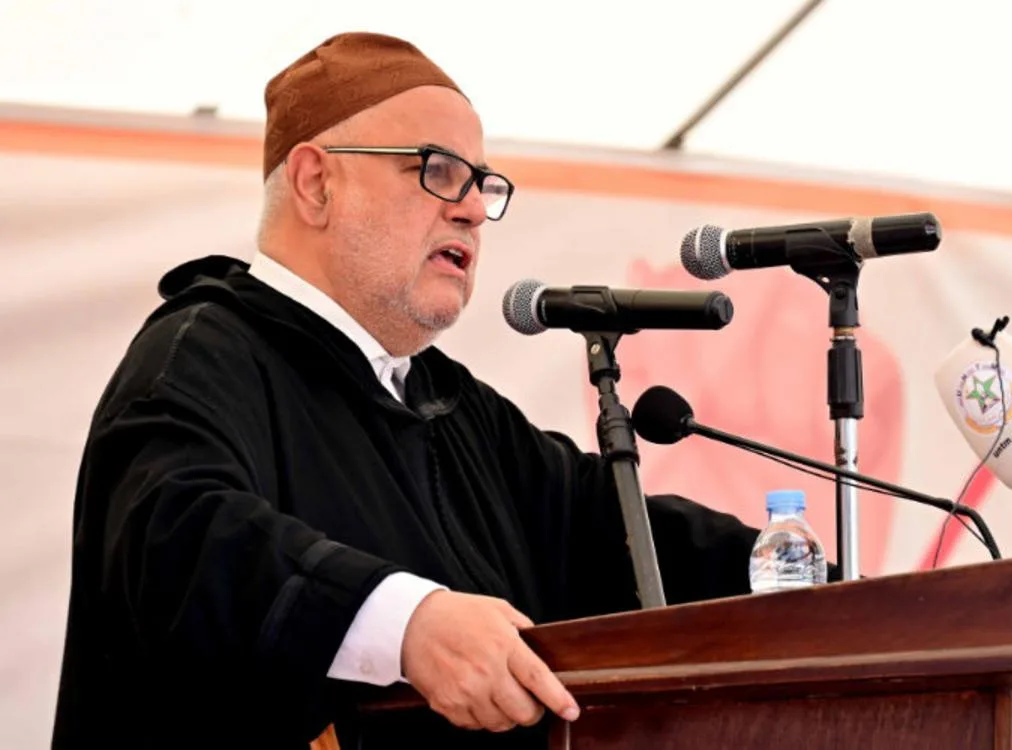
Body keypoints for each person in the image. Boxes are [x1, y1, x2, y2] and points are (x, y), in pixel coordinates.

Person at [50, 32, 807, 749]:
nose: (472, 208)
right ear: (316, 183)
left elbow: (611, 528)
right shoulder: (203, 351)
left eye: (482, 183)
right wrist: (407, 623)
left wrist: (815, 586)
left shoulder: (450, 405)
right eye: (438, 170)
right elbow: (177, 538)